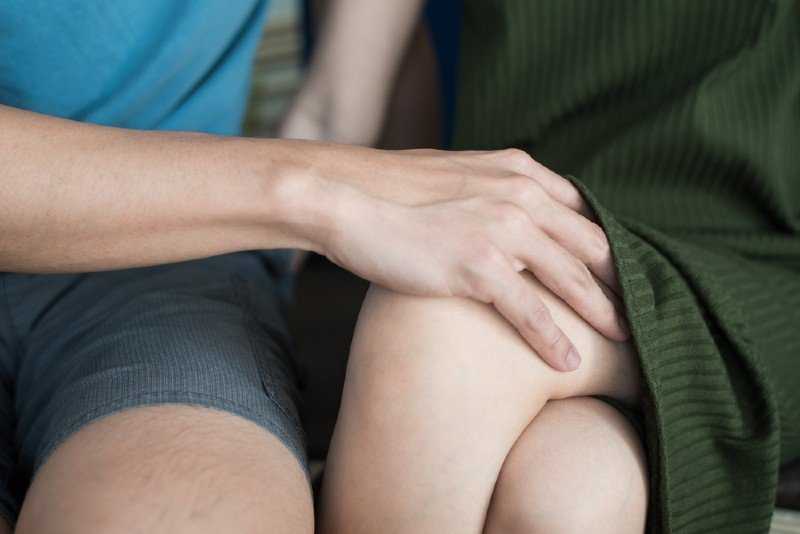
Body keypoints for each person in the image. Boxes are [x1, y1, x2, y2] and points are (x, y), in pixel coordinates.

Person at [0, 1, 629, 533]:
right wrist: (314, 193)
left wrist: (316, 210)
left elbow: (339, 106)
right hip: (219, 214)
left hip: (170, 256)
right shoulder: (299, 191)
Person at [306, 1, 800, 534]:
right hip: (524, 215)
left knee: (446, 316)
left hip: (759, 270)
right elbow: (335, 111)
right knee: (568, 496)